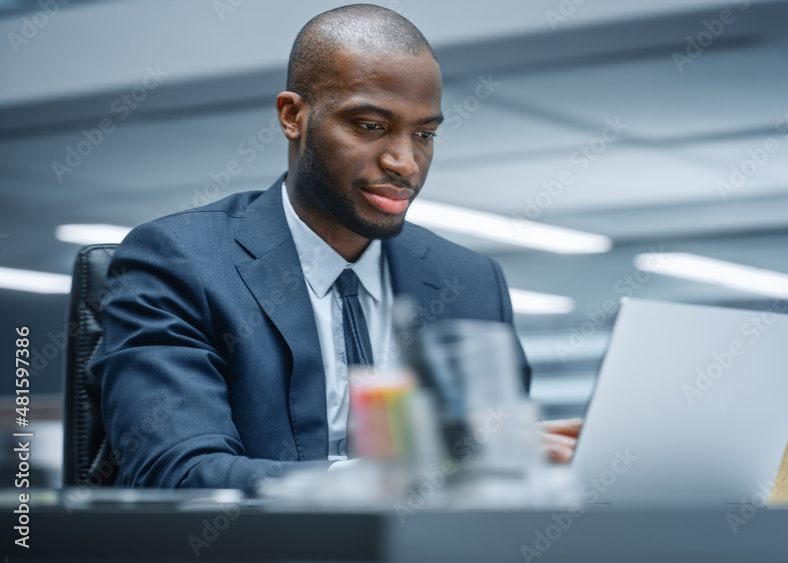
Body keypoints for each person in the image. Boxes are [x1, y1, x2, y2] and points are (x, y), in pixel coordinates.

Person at [93, 4, 580, 490]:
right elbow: (179, 474)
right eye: (370, 126)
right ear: (292, 116)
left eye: (425, 134)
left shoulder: (471, 281)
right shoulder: (180, 261)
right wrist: (408, 478)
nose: (404, 162)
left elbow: (488, 479)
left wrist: (521, 461)